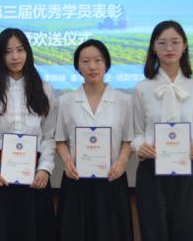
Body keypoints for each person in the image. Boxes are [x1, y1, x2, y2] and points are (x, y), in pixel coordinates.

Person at [0, 28, 57, 241]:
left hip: (35, 172)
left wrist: (45, 168)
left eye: (20, 50)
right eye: (8, 51)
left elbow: (49, 135)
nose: (14, 56)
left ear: (27, 52)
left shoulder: (45, 89)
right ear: (0, 56)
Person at [131, 20, 193, 241]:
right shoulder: (142, 88)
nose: (169, 48)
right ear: (153, 47)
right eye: (162, 43)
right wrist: (140, 146)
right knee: (153, 232)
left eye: (175, 42)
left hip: (189, 168)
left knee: (188, 231)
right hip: (152, 169)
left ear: (184, 45)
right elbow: (136, 132)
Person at [55, 39, 134, 241]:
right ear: (78, 67)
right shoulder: (65, 101)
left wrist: (122, 162)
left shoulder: (124, 101)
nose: (92, 66)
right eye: (85, 61)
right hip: (76, 180)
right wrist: (67, 162)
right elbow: (60, 140)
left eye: (98, 60)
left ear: (106, 64)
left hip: (112, 178)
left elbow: (128, 140)